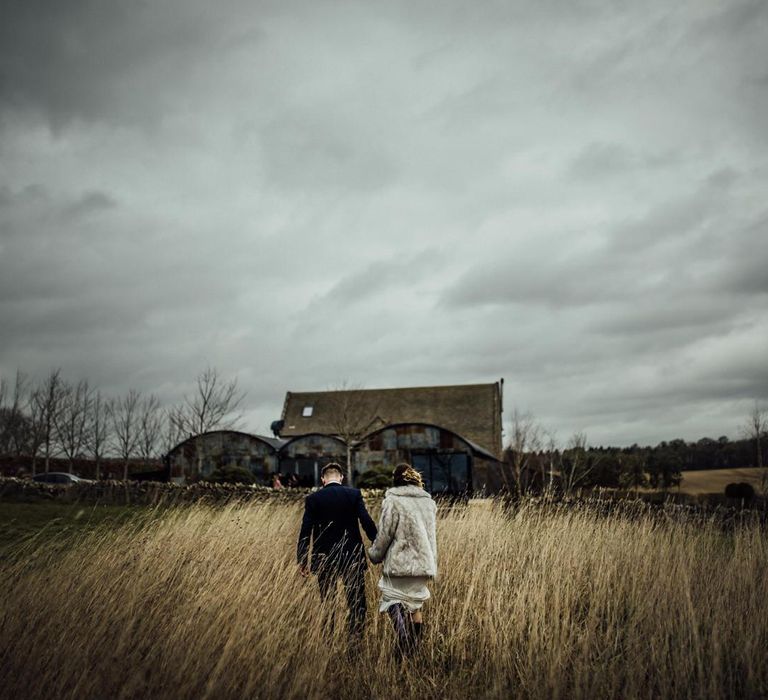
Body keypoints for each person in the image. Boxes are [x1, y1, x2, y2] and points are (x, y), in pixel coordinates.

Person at [296, 462, 377, 639]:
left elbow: (305, 531)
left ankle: (329, 639)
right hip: (352, 555)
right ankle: (355, 639)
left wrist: (303, 559)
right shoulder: (353, 494)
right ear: (341, 477)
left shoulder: (313, 499)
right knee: (356, 602)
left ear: (323, 479)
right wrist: (378, 544)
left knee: (328, 601)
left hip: (323, 556)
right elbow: (366, 521)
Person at [368, 463, 437, 659]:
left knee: (391, 600)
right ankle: (413, 649)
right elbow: (432, 537)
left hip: (399, 564)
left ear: (395, 481)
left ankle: (404, 638)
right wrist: (432, 565)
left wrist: (375, 554)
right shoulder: (428, 503)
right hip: (423, 565)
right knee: (415, 605)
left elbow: (385, 535)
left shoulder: (393, 502)